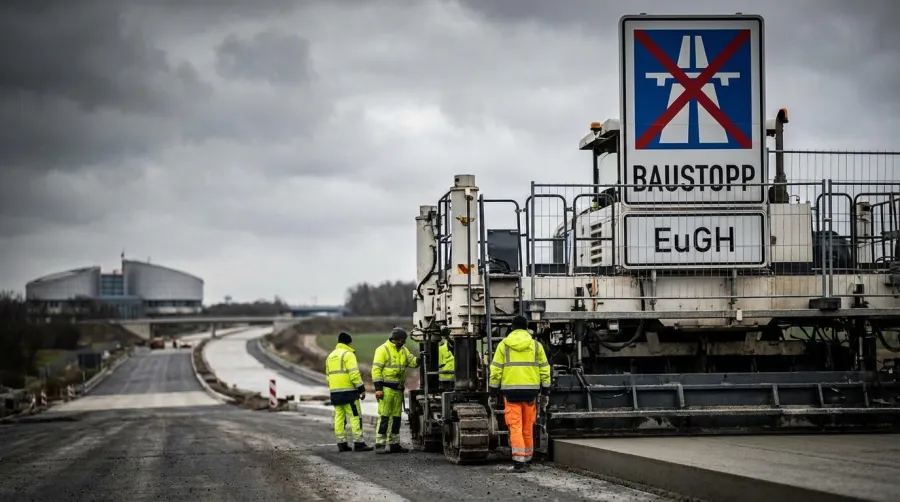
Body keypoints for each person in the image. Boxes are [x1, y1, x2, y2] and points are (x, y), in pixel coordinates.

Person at [489, 315, 551, 471]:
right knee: (528, 426)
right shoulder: (536, 346)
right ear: (526, 327)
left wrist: (493, 391)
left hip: (511, 392)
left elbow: (495, 370)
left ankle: (519, 462)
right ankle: (528, 458)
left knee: (515, 426)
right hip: (531, 392)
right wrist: (546, 390)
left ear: (512, 327)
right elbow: (545, 370)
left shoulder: (504, 345)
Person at [371, 327, 420, 454]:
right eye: (402, 340)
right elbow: (376, 370)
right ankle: (380, 445)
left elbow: (412, 362)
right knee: (385, 417)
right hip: (386, 389)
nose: (404, 342)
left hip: (398, 390)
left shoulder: (403, 350)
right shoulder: (382, 350)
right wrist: (378, 388)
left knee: (396, 418)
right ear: (396, 339)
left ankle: (394, 444)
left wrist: (420, 359)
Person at [325, 332, 373, 452]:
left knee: (339, 418)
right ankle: (359, 443)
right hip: (349, 393)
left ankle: (342, 444)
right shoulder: (348, 354)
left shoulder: (330, 356)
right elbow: (354, 373)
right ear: (348, 342)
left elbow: (327, 376)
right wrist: (361, 388)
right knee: (355, 417)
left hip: (335, 393)